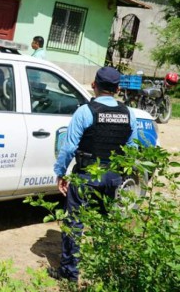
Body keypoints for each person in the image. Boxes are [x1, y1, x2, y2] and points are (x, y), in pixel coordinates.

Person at [49, 66, 138, 283]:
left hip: (86, 176)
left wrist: (61, 173)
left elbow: (69, 148)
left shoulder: (85, 111)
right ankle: (103, 274)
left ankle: (70, 273)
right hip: (114, 178)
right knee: (106, 224)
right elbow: (132, 149)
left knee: (75, 223)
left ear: (93, 85)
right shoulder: (129, 114)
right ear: (118, 88)